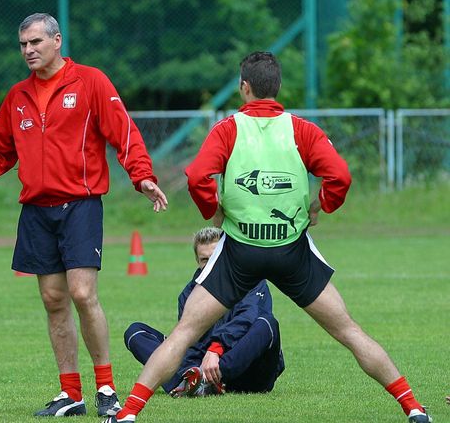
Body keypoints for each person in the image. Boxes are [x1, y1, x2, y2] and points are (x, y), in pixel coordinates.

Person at [104, 52, 431, 423]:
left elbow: (197, 177)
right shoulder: (301, 130)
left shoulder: (228, 129)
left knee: (182, 335)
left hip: (240, 252)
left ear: (244, 87)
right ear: (277, 87)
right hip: (291, 251)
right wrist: (321, 205)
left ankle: (128, 414)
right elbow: (341, 176)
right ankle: (413, 408)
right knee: (349, 331)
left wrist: (213, 208)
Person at [0, 13, 167, 418]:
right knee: (54, 300)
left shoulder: (91, 82)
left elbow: (124, 134)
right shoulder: (18, 96)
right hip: (36, 210)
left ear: (57, 41)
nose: (28, 50)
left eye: (35, 42)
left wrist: (142, 177)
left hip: (80, 205)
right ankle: (72, 393)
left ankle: (106, 387)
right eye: (22, 45)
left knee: (83, 294)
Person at [124, 226, 284, 397]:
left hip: (250, 373)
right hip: (204, 365)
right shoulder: (189, 293)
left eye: (215, 257)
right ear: (197, 261)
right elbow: (191, 342)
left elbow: (247, 318)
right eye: (204, 259)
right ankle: (191, 379)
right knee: (135, 332)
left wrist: (217, 348)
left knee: (267, 324)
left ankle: (202, 380)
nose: (210, 264)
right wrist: (191, 366)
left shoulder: (251, 280)